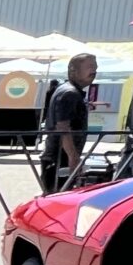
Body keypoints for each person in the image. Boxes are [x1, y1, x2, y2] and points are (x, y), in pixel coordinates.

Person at [40, 52, 97, 190]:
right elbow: (63, 126)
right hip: (60, 158)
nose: (94, 71)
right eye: (90, 67)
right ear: (73, 70)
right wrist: (73, 156)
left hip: (58, 157)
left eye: (95, 67)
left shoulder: (69, 90)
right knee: (58, 195)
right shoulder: (70, 93)